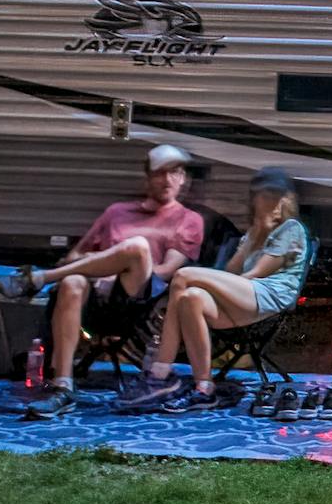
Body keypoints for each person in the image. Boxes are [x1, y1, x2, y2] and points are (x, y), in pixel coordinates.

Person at [121, 167, 317, 410]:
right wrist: (254, 237)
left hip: (269, 294)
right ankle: (204, 388)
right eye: (264, 196)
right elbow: (231, 272)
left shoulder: (291, 229)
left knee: (183, 275)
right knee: (191, 298)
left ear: (287, 201)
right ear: (255, 198)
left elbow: (257, 274)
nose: (269, 202)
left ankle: (159, 373)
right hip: (245, 296)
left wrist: (217, 283)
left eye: (276, 196)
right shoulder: (254, 232)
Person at [23, 145, 208, 401]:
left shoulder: (189, 219)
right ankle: (63, 383)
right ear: (147, 177)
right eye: (160, 173)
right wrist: (101, 265)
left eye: (175, 173)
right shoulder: (117, 212)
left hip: (141, 299)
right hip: (97, 298)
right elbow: (74, 256)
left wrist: (120, 267)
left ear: (184, 179)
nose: (167, 180)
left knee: (137, 247)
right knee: (73, 281)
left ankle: (42, 277)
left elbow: (167, 270)